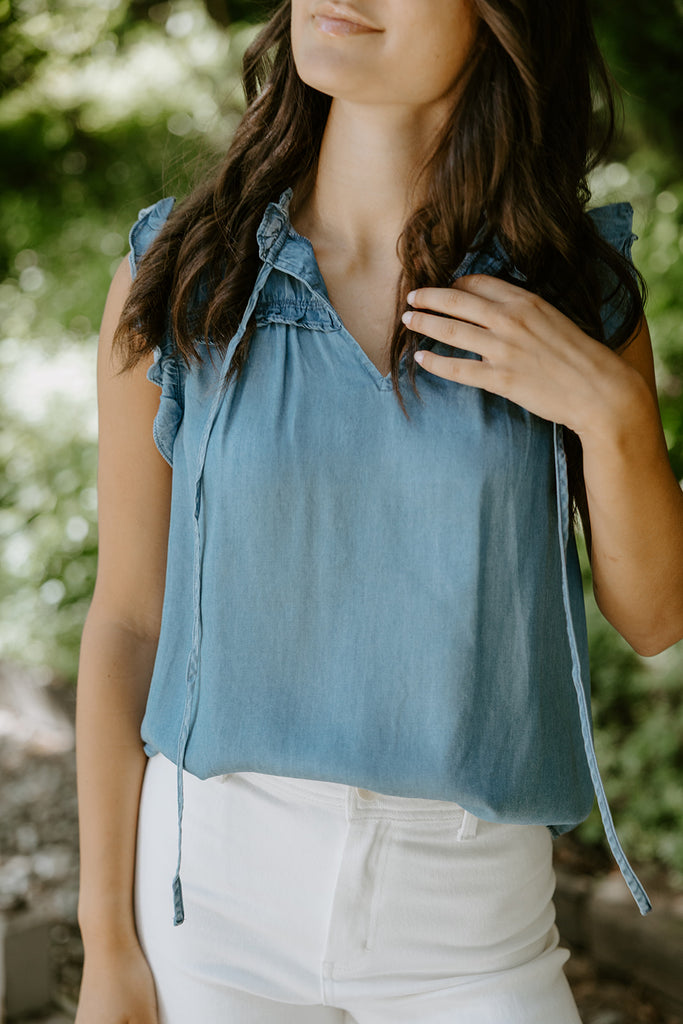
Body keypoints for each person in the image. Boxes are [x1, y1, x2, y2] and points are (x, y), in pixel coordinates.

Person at [74, 1, 683, 1021]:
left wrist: (611, 413)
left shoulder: (571, 296)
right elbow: (129, 620)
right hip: (206, 913)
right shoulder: (179, 274)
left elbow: (654, 615)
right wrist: (108, 945)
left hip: (472, 930)